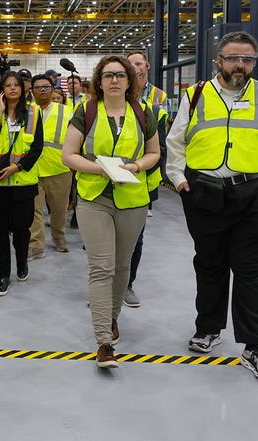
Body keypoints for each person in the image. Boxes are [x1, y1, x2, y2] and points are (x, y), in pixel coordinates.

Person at [166, 31, 258, 381]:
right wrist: (178, 180)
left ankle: (256, 346)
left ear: (255, 62)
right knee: (209, 264)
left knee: (252, 270)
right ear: (219, 61)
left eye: (248, 59)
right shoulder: (194, 96)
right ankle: (208, 328)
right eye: (234, 58)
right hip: (205, 193)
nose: (241, 65)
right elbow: (175, 141)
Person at [62, 55, 161, 368]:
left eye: (120, 75)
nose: (115, 80)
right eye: (108, 75)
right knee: (101, 266)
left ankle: (113, 316)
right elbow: (68, 155)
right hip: (94, 197)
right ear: (99, 81)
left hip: (132, 199)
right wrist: (98, 169)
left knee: (122, 267)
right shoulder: (86, 111)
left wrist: (134, 165)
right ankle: (104, 340)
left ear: (130, 80)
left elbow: (154, 153)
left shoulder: (144, 112)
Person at [0, 71, 43, 296]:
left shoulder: (34, 113)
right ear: (2, 89)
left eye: (16, 85)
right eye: (7, 85)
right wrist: (0, 110)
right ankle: (3, 275)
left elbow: (37, 147)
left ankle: (22, 262)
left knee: (21, 229)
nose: (12, 88)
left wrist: (17, 167)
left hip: (23, 182)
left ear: (23, 88)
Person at [122, 50, 170, 308]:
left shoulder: (157, 101)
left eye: (138, 64)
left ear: (146, 67)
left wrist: (141, 171)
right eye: (129, 65)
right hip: (107, 182)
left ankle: (127, 284)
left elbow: (160, 146)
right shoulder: (109, 100)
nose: (135, 68)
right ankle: (105, 287)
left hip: (141, 182)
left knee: (134, 239)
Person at [28, 74, 73, 261]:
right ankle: (36, 245)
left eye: (46, 86)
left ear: (53, 89)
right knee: (34, 211)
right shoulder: (26, 111)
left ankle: (59, 237)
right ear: (32, 91)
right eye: (38, 87)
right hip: (32, 169)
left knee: (59, 209)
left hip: (59, 169)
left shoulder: (66, 111)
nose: (43, 90)